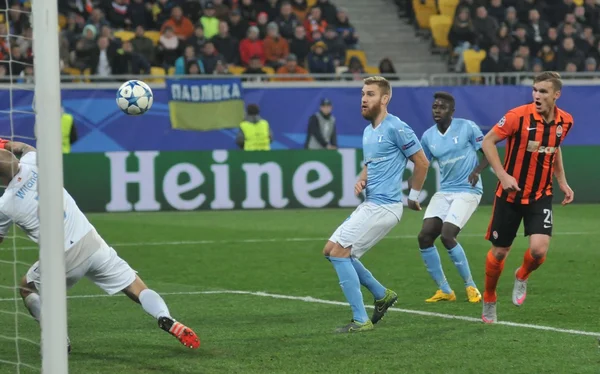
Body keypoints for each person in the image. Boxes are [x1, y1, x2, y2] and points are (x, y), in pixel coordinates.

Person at [0, 140, 200, 350]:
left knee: (26, 286)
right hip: (93, 244)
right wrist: (6, 143)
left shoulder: (5, 205)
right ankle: (165, 317)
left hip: (63, 257)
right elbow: (25, 149)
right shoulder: (35, 164)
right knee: (135, 286)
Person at [322, 76, 430, 333]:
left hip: (385, 207)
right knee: (330, 250)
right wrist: (361, 179)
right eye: (362, 93)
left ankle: (360, 320)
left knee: (340, 254)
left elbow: (422, 162)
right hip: (371, 204)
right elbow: (372, 163)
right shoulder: (369, 131)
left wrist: (413, 196)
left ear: (384, 99)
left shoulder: (397, 127)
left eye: (370, 94)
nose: (363, 98)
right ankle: (382, 295)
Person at [480, 71, 574, 323]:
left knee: (539, 251)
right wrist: (502, 175)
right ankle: (489, 297)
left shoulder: (565, 121)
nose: (537, 95)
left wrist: (562, 181)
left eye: (543, 91)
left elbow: (554, 149)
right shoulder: (516, 116)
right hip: (509, 196)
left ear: (556, 95)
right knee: (499, 253)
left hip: (540, 195)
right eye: (534, 90)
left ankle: (522, 275)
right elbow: (488, 142)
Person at [417, 92, 488, 303]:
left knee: (448, 235)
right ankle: (445, 290)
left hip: (468, 190)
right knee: (424, 237)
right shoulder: (428, 136)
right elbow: (423, 165)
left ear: (452, 111)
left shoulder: (467, 127)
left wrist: (476, 171)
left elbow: (488, 152)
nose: (437, 110)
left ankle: (471, 286)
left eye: (442, 107)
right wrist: (414, 193)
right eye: (435, 107)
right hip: (445, 191)